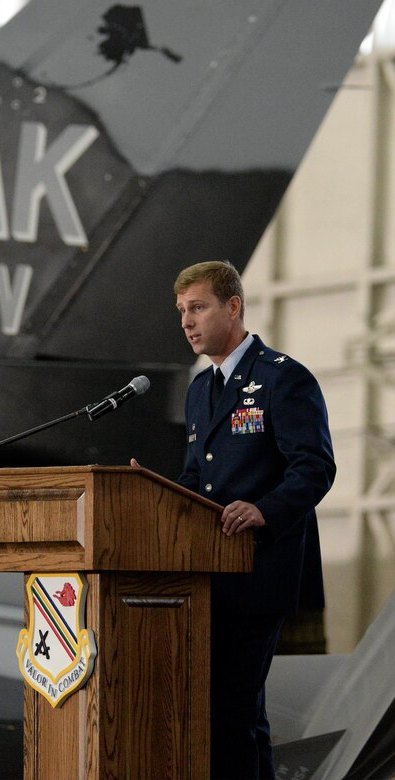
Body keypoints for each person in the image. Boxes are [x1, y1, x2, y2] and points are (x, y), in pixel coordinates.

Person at [135, 260, 336, 779]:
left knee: (230, 713)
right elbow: (195, 478)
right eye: (181, 311)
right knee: (230, 715)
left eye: (197, 307)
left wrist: (264, 509)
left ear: (233, 306)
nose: (186, 321)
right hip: (207, 576)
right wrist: (149, 494)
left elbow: (314, 468)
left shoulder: (282, 378)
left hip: (258, 570)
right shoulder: (201, 390)